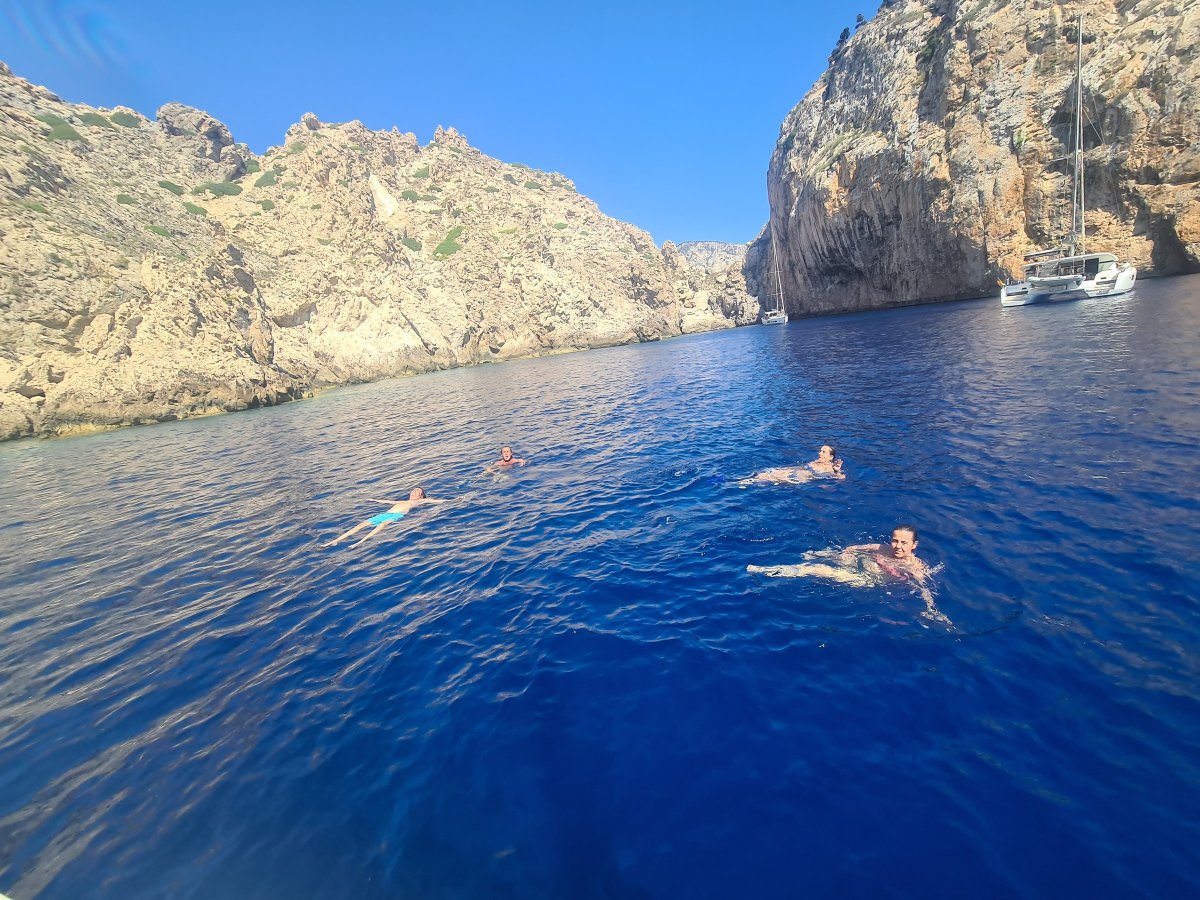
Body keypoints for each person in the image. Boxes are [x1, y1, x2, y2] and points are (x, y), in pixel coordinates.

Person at [747, 524, 950, 624]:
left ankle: (766, 570)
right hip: (864, 564)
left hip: (868, 580)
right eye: (895, 540)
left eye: (904, 543)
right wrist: (846, 552)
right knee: (832, 554)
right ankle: (814, 554)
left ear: (914, 545)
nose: (897, 546)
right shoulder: (883, 548)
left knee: (817, 569)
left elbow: (924, 588)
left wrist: (930, 608)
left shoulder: (916, 568)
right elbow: (861, 547)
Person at [328, 487, 449, 547]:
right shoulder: (401, 501)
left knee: (383, 524)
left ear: (421, 496)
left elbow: (436, 501)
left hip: (398, 515)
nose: (414, 492)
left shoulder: (419, 502)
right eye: (413, 490)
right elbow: (386, 501)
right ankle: (335, 540)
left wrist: (453, 500)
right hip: (384, 514)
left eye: (418, 491)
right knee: (361, 525)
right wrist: (373, 499)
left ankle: (359, 543)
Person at [739, 444, 845, 485]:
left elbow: (841, 478)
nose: (819, 453)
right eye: (820, 451)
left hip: (801, 476)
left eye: (823, 452)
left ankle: (745, 483)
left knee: (769, 477)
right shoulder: (816, 461)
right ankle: (745, 481)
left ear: (831, 457)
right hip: (797, 471)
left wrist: (836, 471)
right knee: (769, 472)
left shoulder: (830, 466)